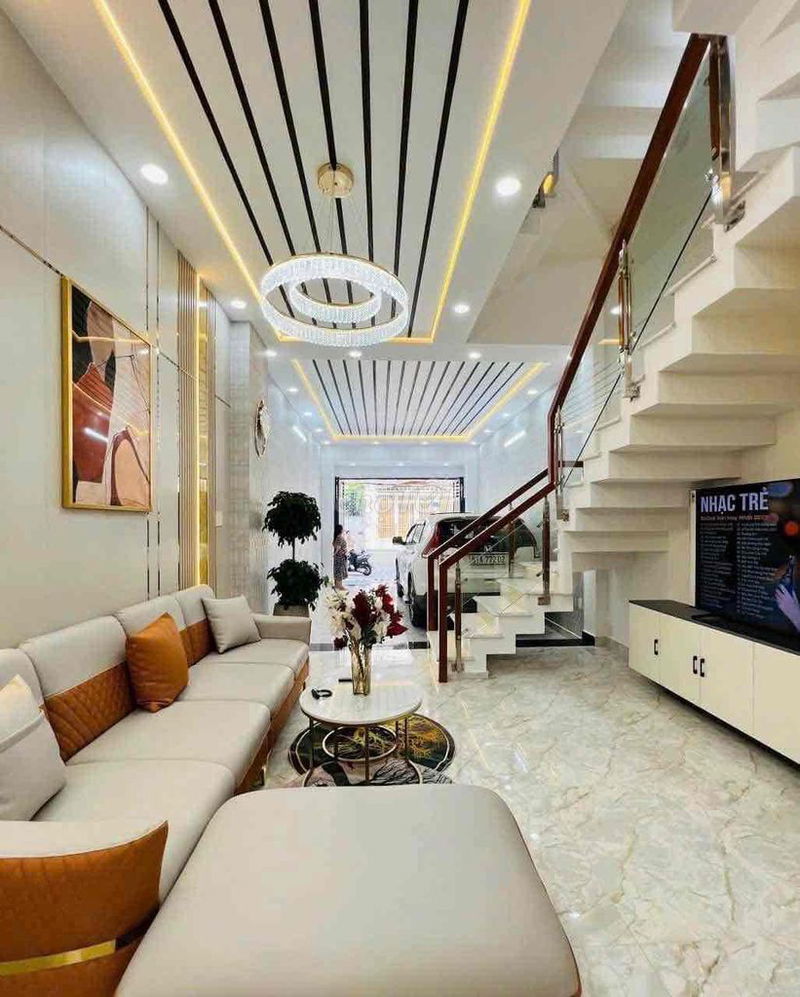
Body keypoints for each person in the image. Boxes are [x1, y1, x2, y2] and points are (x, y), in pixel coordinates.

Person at [332, 523, 348, 591]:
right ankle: (339, 586)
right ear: (340, 530)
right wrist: (334, 554)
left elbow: (335, 545)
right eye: (342, 529)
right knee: (339, 571)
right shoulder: (339, 537)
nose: (343, 530)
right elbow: (338, 547)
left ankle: (338, 586)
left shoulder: (337, 537)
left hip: (339, 557)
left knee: (338, 571)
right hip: (340, 558)